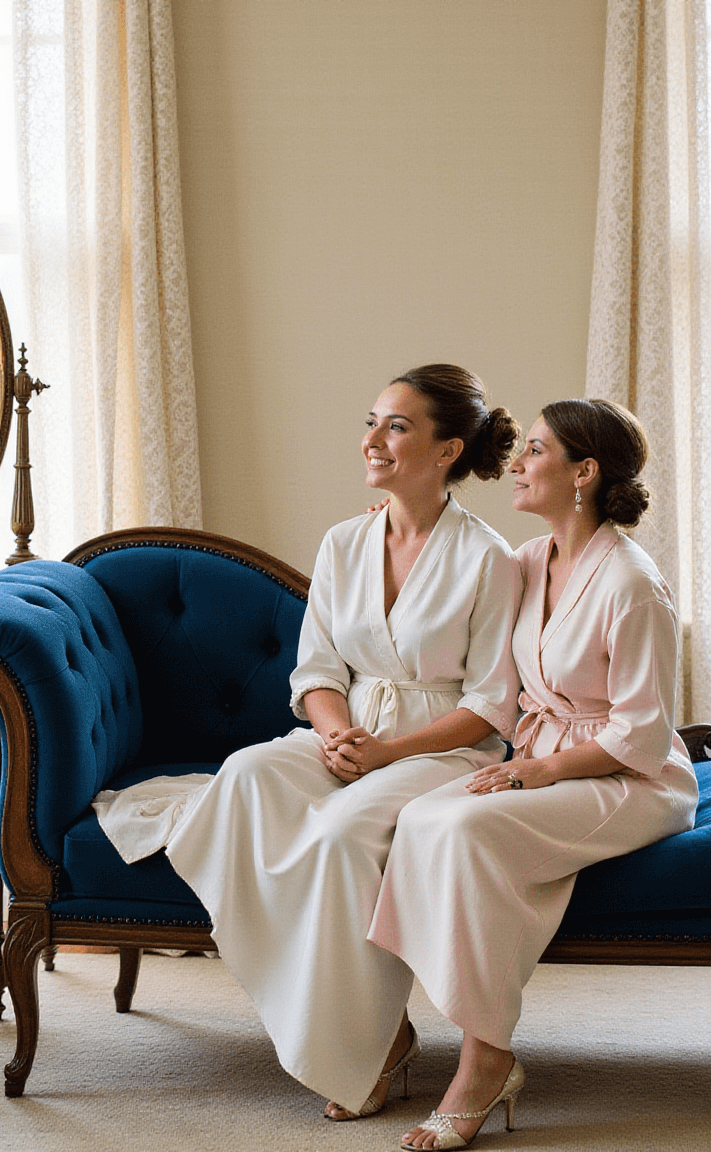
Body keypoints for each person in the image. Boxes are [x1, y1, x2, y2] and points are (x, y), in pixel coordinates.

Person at [166, 364, 522, 1122]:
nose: (372, 440)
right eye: (373, 421)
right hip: (349, 733)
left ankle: (368, 1045)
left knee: (339, 834)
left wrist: (389, 755)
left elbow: (492, 706)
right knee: (247, 775)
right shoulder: (343, 543)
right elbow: (318, 670)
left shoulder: (488, 558)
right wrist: (335, 735)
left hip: (441, 750)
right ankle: (341, 1018)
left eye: (396, 427)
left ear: (447, 449)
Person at [370, 398, 699, 1151]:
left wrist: (537, 773)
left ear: (583, 473)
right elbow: (454, 574)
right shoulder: (527, 560)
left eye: (538, 452)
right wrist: (394, 520)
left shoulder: (632, 584)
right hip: (544, 757)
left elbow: (641, 731)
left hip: (630, 779)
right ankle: (400, 1028)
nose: (518, 463)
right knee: (421, 817)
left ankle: (485, 1062)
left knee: (468, 830)